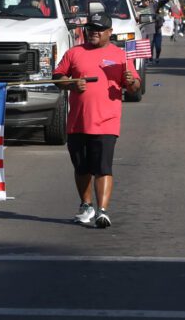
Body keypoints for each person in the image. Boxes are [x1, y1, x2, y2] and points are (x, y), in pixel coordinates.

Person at [53, 12, 140, 229]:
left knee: (103, 167)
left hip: (106, 122)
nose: (94, 33)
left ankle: (102, 211)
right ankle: (86, 205)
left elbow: (135, 87)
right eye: (91, 29)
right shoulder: (74, 53)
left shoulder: (120, 56)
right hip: (78, 121)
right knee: (82, 168)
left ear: (109, 33)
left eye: (99, 30)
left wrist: (131, 82)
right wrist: (72, 84)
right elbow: (57, 77)